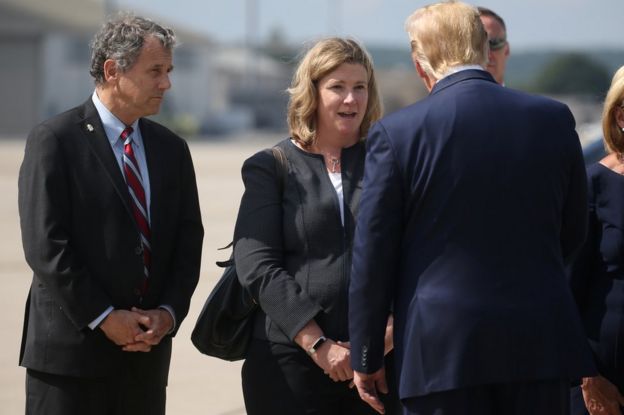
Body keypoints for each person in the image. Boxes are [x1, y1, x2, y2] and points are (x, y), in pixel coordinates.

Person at [348, 2, 596, 414]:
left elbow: (372, 256)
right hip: (538, 345)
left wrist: (367, 354)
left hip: (440, 353)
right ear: (484, 47)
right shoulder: (553, 119)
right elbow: (572, 232)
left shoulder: (398, 133)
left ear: (419, 63)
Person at [18, 14, 203, 415]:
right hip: (70, 364)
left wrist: (167, 314)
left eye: (168, 71)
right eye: (156, 71)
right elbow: (45, 245)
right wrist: (103, 317)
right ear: (112, 70)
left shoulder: (171, 149)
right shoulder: (54, 140)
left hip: (145, 363)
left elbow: (188, 245)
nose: (166, 83)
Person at [233, 37, 398, 414]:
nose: (351, 100)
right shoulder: (270, 166)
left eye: (360, 87)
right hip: (289, 365)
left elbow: (414, 253)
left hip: (381, 366)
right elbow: (256, 265)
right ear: (312, 91)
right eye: (337, 87)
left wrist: (384, 338)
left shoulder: (391, 163)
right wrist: (319, 345)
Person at [569, 65, 624, 415]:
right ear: (620, 115)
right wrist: (587, 378)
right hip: (604, 381)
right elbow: (564, 292)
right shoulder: (593, 185)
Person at [478, 6, 510, 85]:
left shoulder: (519, 98)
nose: (487, 54)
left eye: (494, 43)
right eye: (478, 45)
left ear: (506, 50)